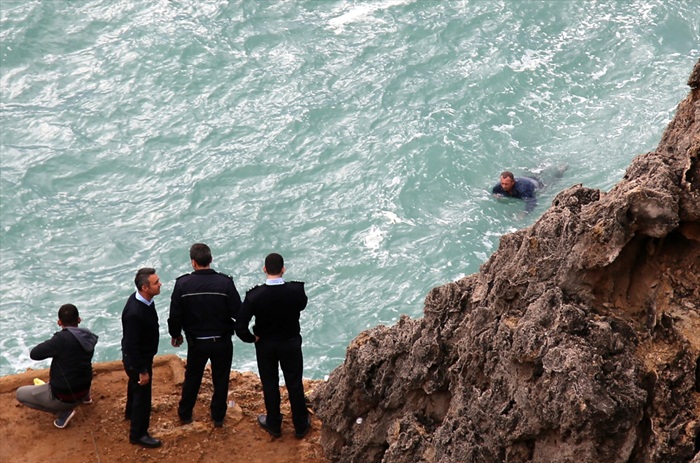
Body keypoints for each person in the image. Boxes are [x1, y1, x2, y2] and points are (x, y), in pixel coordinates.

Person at [235, 253, 311, 439]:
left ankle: (274, 424)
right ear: (283, 269)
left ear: (264, 269)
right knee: (294, 383)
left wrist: (251, 338)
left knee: (270, 383)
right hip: (290, 343)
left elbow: (240, 326)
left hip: (266, 345)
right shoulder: (296, 291)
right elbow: (301, 305)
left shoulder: (254, 296)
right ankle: (301, 426)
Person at [168, 243, 241, 427]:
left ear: (193, 262)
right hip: (222, 341)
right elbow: (238, 312)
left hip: (197, 343)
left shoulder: (182, 284)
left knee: (192, 378)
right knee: (221, 379)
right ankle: (218, 417)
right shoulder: (225, 283)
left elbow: (175, 315)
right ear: (211, 259)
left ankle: (185, 414)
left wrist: (175, 335)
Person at [16, 304, 98, 429]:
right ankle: (86, 398)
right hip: (84, 387)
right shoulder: (88, 336)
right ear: (79, 319)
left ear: (59, 322)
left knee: (20, 394)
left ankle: (63, 412)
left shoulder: (60, 340)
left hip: (64, 396)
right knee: (79, 365)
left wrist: (54, 343)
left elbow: (34, 354)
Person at [121, 267, 162, 448]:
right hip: (139, 359)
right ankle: (138, 434)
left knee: (134, 387)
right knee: (143, 396)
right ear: (145, 287)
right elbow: (132, 345)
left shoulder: (143, 300)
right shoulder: (135, 313)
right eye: (156, 283)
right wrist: (142, 370)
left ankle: (130, 413)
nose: (160, 284)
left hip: (139, 356)